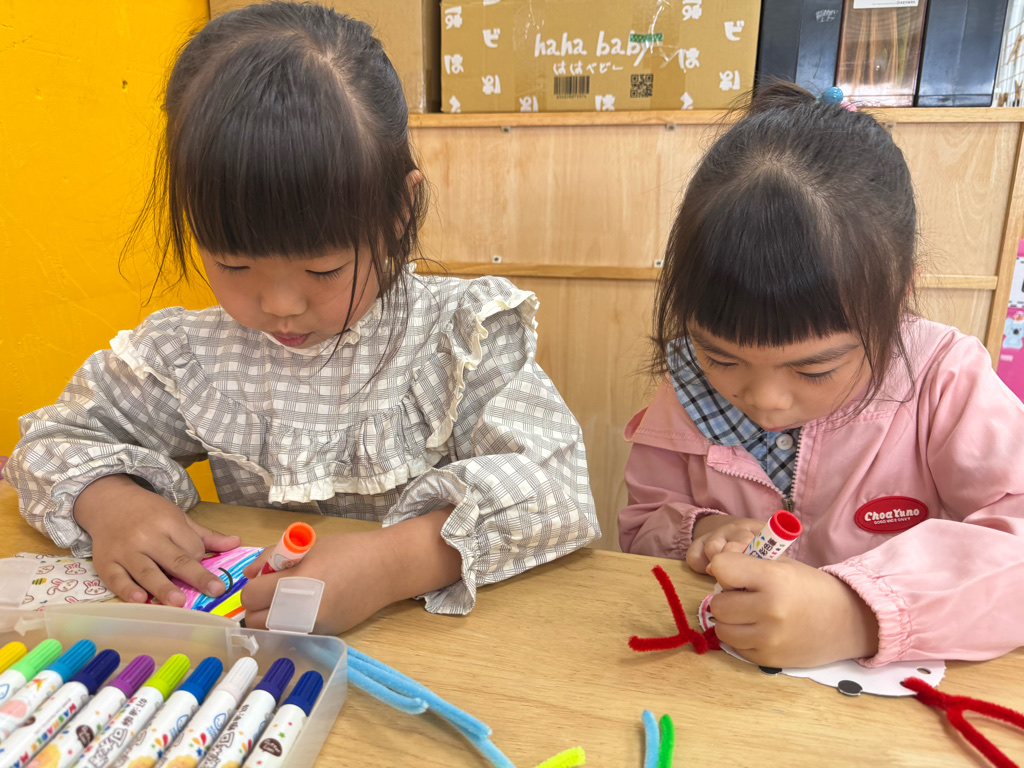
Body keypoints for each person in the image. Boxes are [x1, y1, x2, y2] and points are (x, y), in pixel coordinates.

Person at [5, 2, 598, 634]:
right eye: (234, 264)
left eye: (323, 269)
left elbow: (555, 486)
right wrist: (109, 503)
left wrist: (390, 564)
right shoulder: (191, 356)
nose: (279, 305)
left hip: (433, 644)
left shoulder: (460, 337)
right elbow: (49, 444)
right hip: (261, 658)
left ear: (399, 212)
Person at [619, 82, 1024, 669]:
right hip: (725, 688)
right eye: (723, 359)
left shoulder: (943, 380)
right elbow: (640, 526)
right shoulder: (685, 386)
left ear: (896, 298)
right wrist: (700, 530)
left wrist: (857, 612)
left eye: (814, 367)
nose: (765, 400)